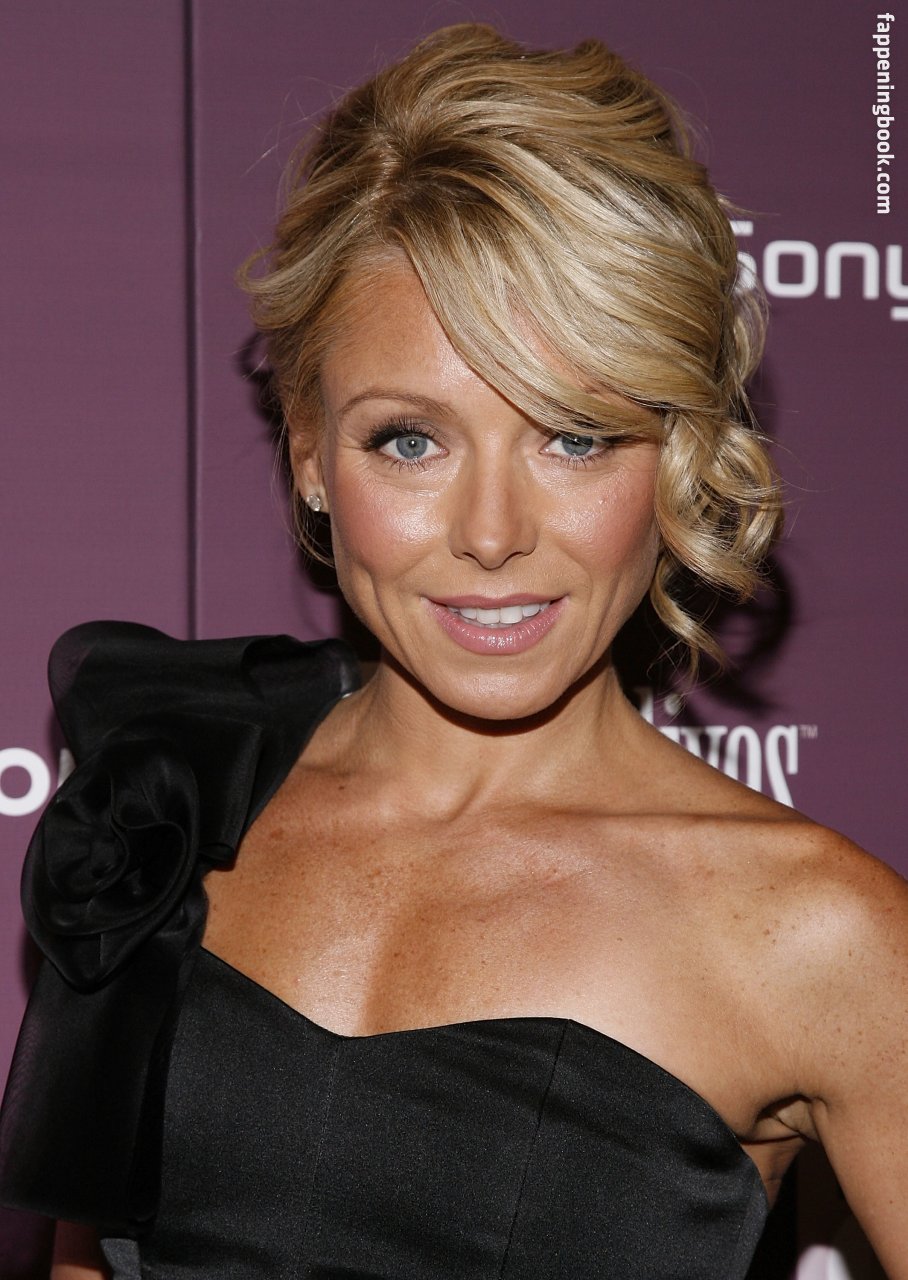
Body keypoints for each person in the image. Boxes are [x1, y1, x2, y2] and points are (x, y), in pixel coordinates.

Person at [2, 21, 906, 1280]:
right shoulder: (168, 793)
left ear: (680, 453)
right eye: (409, 440)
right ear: (309, 452)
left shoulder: (815, 934)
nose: (490, 533)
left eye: (573, 436)